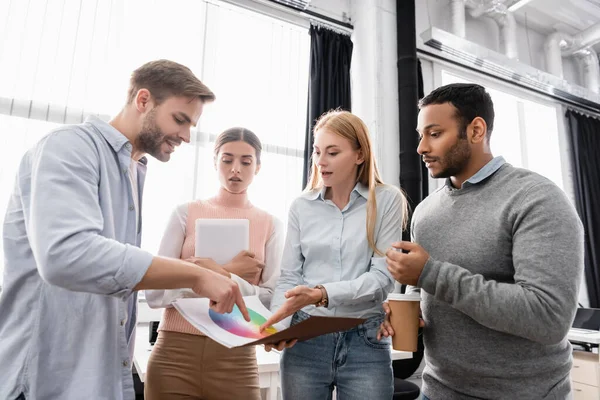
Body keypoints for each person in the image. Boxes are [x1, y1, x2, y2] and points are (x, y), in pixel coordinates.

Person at [0, 59, 250, 400]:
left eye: (191, 125)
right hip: (43, 380)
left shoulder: (133, 171)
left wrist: (191, 269)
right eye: (180, 120)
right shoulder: (69, 148)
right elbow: (66, 254)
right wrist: (192, 276)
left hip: (95, 379)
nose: (186, 136)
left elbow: (114, 271)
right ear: (143, 100)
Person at [382, 83, 584, 399]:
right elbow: (427, 286)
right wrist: (411, 310)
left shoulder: (537, 199)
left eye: (434, 134)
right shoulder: (426, 211)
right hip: (438, 391)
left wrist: (430, 274)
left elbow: (549, 318)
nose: (421, 147)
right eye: (421, 135)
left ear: (476, 130)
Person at [260, 110, 408, 400]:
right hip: (305, 340)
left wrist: (320, 294)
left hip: (365, 338)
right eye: (317, 152)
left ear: (359, 155)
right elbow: (289, 277)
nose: (321, 161)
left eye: (332, 152)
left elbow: (382, 279)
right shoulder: (301, 206)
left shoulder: (387, 200)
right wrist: (278, 328)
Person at [144, 127, 284, 400]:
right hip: (175, 353)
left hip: (237, 356)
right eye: (227, 159)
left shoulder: (271, 224)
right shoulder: (185, 213)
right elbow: (155, 294)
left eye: (246, 162)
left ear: (258, 167)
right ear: (214, 161)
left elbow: (272, 301)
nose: (236, 169)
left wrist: (215, 273)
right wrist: (229, 273)